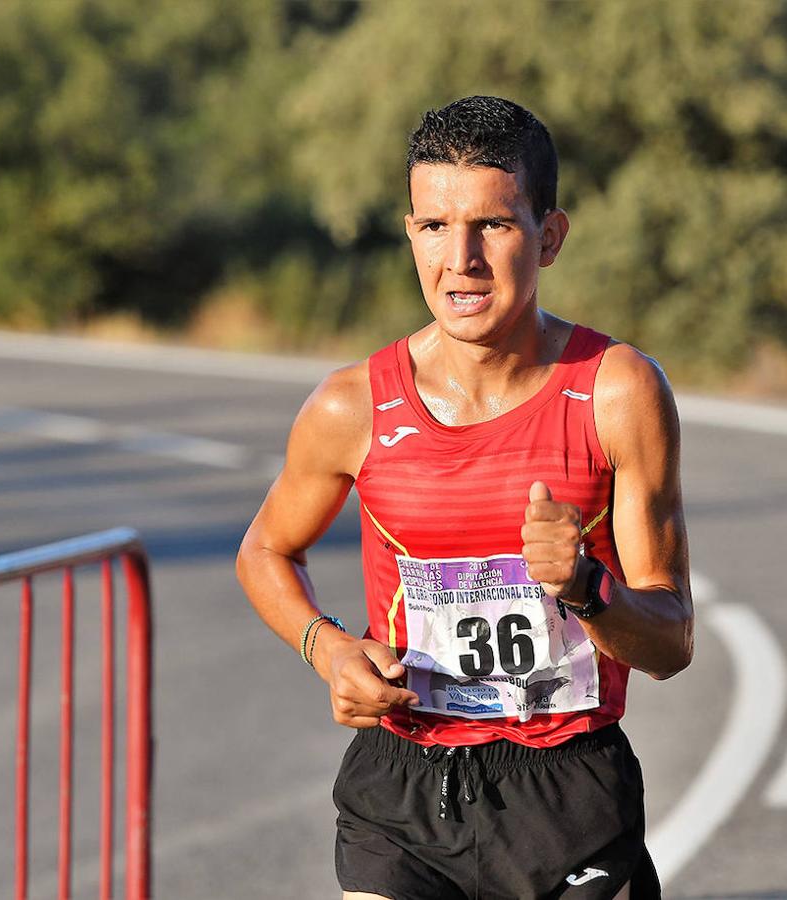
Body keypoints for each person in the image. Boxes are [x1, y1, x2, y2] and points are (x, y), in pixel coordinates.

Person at [237, 96, 693, 900]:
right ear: (409, 232)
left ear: (547, 237)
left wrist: (587, 587)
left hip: (568, 790)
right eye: (434, 228)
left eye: (493, 226)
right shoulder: (352, 406)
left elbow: (668, 644)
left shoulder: (615, 392)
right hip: (402, 791)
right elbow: (267, 550)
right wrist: (330, 650)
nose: (461, 260)